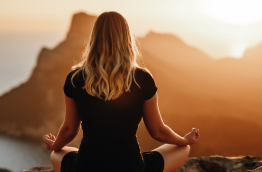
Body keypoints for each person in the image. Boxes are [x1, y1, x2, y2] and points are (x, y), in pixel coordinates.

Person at [42, 11, 200, 172]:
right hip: (131, 167)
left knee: (58, 153)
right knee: (183, 148)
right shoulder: (142, 78)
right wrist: (184, 140)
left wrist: (54, 145)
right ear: (126, 39)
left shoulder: (75, 79)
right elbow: (158, 131)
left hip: (86, 167)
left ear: (94, 39)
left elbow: (70, 130)